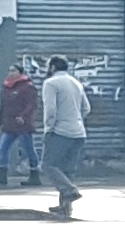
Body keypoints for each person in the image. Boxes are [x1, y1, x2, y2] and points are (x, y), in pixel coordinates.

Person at [35, 53, 89, 219]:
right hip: (78, 133)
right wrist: (76, 120)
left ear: (52, 67)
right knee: (67, 171)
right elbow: (86, 108)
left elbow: (50, 110)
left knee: (47, 166)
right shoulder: (76, 83)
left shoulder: (51, 83)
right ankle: (65, 208)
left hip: (60, 132)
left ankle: (70, 191)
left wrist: (49, 129)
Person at [0, 61, 42, 187]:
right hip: (9, 124)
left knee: (29, 150)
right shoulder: (7, 87)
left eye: (13, 70)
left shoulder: (27, 86)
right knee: (2, 148)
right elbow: (3, 105)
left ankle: (35, 174)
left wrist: (23, 116)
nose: (10, 73)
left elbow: (32, 104)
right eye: (9, 70)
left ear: (20, 73)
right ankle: (1, 174)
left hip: (22, 124)